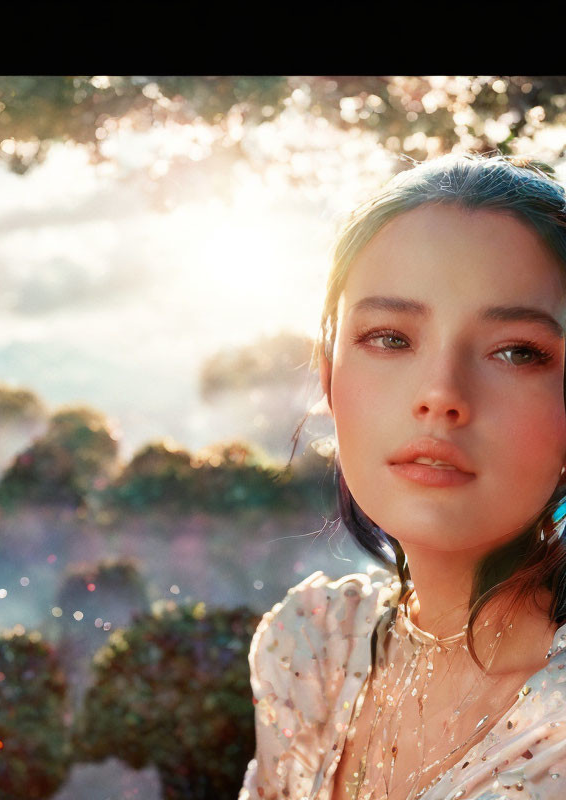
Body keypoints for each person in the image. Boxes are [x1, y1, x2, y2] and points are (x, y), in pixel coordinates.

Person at [239, 152, 566, 800]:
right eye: (390, 337)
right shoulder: (310, 647)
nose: (441, 394)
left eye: (517, 351)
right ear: (330, 376)